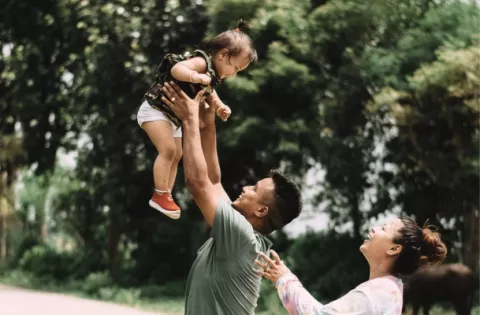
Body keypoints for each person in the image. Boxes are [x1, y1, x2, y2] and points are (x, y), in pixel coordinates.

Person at [159, 81, 303, 315]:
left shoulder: (241, 237)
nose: (245, 188)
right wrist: (207, 119)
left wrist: (189, 120)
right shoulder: (243, 235)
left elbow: (198, 183)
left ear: (261, 211)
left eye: (254, 189)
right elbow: (214, 181)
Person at [136, 20, 257, 219]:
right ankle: (159, 193)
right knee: (168, 150)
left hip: (173, 117)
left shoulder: (213, 76)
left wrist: (219, 106)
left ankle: (166, 193)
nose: (233, 74)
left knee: (178, 154)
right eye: (235, 68)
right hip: (155, 110)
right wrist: (194, 77)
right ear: (223, 55)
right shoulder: (201, 62)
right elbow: (177, 69)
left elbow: (210, 93)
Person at [255, 217, 447, 315]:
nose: (374, 228)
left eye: (383, 228)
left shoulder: (376, 293)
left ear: (394, 248)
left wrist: (285, 279)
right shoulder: (391, 288)